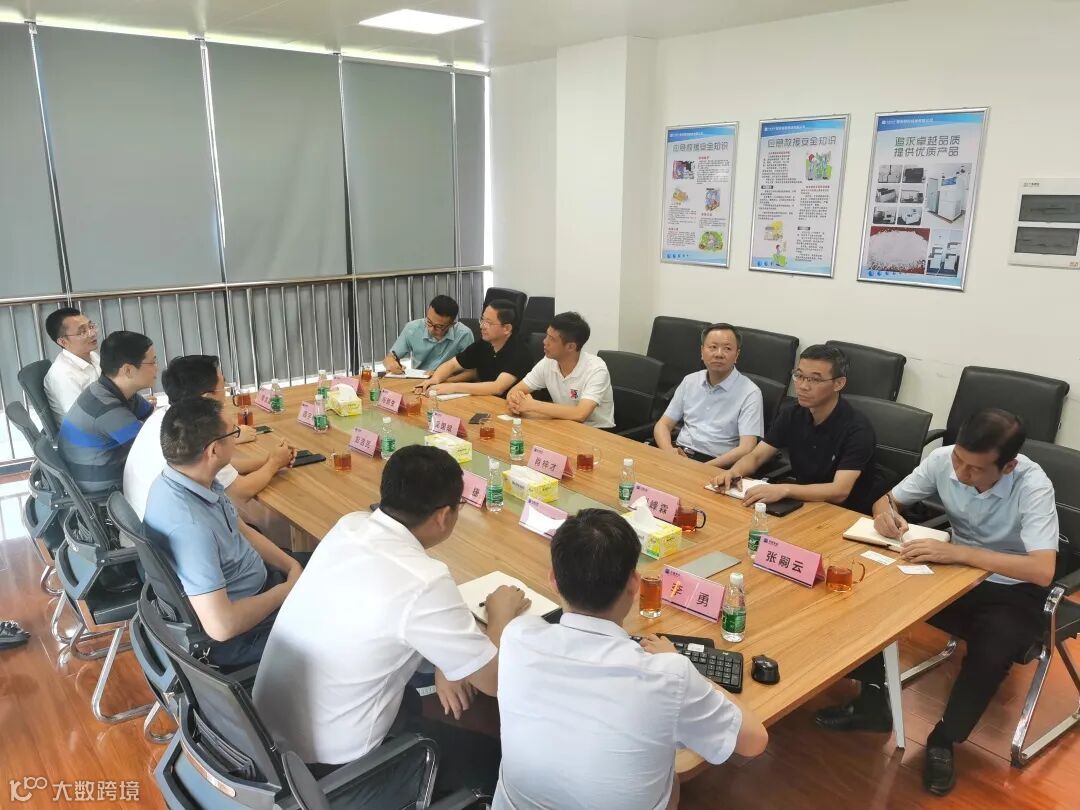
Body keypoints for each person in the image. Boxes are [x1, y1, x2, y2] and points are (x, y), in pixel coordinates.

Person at [254, 445, 530, 800]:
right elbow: (493, 680)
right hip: (337, 767)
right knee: (496, 761)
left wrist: (449, 662)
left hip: (268, 737)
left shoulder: (350, 525)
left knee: (415, 702)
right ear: (444, 516)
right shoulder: (425, 580)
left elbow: (393, 611)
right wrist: (501, 614)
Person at [815, 409, 1058, 797]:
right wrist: (886, 516)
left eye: (975, 469)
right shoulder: (944, 459)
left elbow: (1042, 569)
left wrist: (960, 553)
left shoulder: (1033, 485)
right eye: (959, 459)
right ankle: (873, 702)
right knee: (871, 595)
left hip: (1013, 586)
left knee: (992, 649)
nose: (961, 473)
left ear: (1009, 466)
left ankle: (945, 738)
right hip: (952, 570)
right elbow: (886, 501)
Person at [494, 509, 768, 810]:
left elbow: (510, 629)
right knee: (671, 774)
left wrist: (500, 611)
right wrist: (684, 667)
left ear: (553, 581)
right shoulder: (668, 676)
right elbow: (754, 741)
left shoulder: (517, 637)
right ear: (635, 584)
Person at [143, 397, 301, 669]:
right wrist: (286, 591)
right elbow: (222, 626)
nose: (236, 438)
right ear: (214, 450)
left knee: (328, 566)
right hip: (244, 632)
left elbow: (241, 531)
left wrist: (292, 567)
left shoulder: (183, 480)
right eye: (233, 433)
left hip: (259, 585)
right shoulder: (191, 526)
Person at [710, 344, 880, 514]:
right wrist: (734, 472)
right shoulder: (792, 413)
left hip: (845, 513)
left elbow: (839, 491)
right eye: (799, 376)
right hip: (803, 502)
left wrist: (785, 489)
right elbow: (757, 456)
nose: (803, 386)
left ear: (839, 383)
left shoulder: (858, 429)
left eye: (815, 379)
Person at [123, 355, 294, 520]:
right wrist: (274, 464)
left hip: (147, 519)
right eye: (222, 388)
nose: (225, 394)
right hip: (170, 530)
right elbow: (240, 493)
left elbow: (221, 468)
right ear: (207, 398)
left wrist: (268, 459)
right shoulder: (196, 432)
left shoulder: (168, 418)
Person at [57, 330, 156, 496]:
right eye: (152, 362)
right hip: (105, 489)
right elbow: (153, 450)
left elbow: (151, 416)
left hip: (110, 467)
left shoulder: (109, 389)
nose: (157, 368)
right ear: (128, 370)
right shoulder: (107, 409)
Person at [652, 323, 763, 466]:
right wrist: (669, 452)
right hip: (679, 454)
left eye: (727, 348)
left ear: (737, 355)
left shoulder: (751, 393)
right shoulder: (690, 380)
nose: (719, 354)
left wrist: (704, 468)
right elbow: (663, 424)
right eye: (713, 347)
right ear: (702, 351)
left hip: (717, 463)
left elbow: (746, 448)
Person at [506, 312, 615, 429]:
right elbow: (514, 391)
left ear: (571, 347)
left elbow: (580, 414)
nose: (544, 341)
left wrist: (532, 405)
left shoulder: (596, 369)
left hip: (597, 432)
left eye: (552, 339)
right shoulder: (548, 362)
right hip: (563, 425)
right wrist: (515, 402)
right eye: (547, 335)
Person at [416, 300, 532, 398]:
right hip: (483, 401)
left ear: (507, 328)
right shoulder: (484, 344)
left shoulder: (520, 352)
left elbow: (497, 387)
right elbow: (452, 364)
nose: (481, 326)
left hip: (508, 408)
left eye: (488, 323)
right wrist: (435, 379)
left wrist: (453, 387)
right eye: (482, 320)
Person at [383, 294, 475, 374]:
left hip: (449, 382)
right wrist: (391, 363)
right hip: (419, 379)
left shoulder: (464, 334)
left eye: (439, 326)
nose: (431, 329)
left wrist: (441, 378)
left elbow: (471, 372)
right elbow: (390, 357)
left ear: (452, 324)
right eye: (429, 322)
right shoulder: (412, 328)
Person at [43, 307, 101, 425]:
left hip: (104, 419)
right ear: (63, 342)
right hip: (88, 431)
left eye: (91, 326)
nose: (92, 333)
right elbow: (82, 418)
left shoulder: (93, 356)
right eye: (82, 332)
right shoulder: (62, 374)